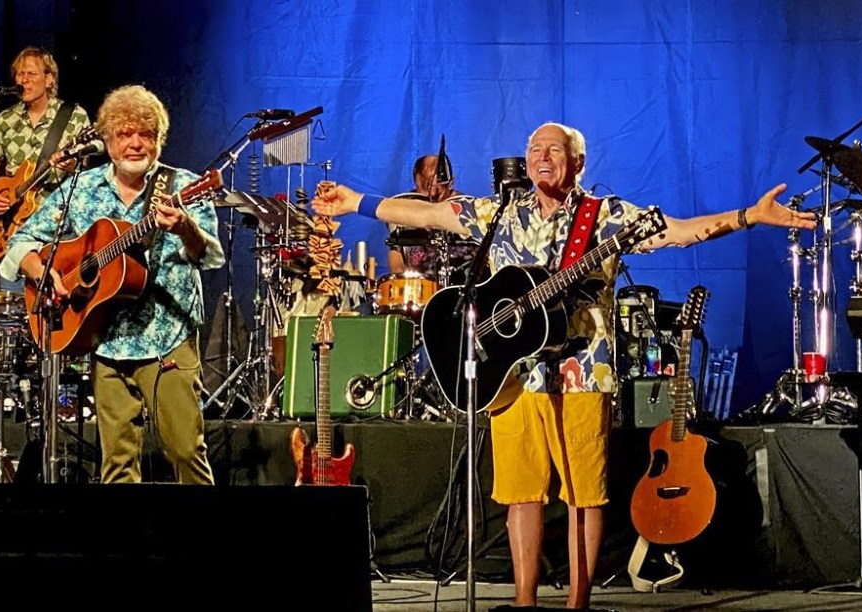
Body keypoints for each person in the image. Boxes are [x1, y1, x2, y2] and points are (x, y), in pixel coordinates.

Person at [312, 121, 816, 609]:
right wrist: (357, 202)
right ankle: (525, 602)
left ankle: (579, 604)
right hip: (511, 375)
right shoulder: (501, 211)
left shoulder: (604, 214)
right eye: (534, 151)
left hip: (582, 370)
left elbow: (681, 232)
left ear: (577, 162)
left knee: (582, 496)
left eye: (553, 150)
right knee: (520, 495)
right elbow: (428, 216)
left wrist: (749, 215)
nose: (540, 158)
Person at [2, 84, 224, 484]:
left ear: (159, 139)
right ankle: (121, 544)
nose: (136, 144)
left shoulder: (182, 186)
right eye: (125, 134)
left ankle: (199, 544)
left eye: (146, 134)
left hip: (166, 337)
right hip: (104, 338)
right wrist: (43, 272)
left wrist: (185, 227)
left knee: (186, 451)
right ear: (106, 140)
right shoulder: (81, 188)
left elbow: (209, 256)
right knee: (116, 464)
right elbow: (18, 244)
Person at [0, 46, 92, 293]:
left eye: (30, 74)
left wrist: (71, 165)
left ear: (49, 78)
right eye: (19, 74)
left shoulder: (74, 117)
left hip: (55, 233)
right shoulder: (5, 120)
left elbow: (87, 175)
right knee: (12, 318)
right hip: (13, 231)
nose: (22, 80)